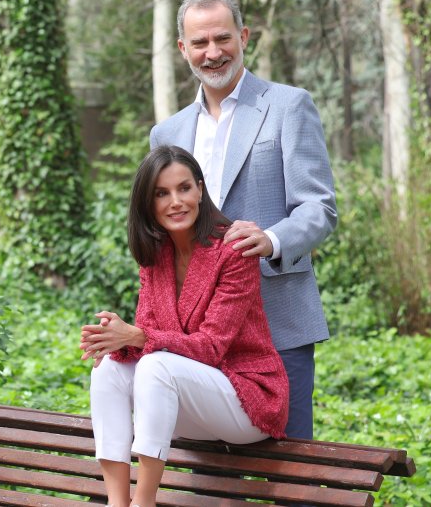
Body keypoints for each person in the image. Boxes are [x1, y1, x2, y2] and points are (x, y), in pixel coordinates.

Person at [150, 0, 336, 440]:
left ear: (244, 37)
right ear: (182, 49)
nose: (212, 53)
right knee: (209, 474)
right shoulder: (167, 132)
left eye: (222, 38)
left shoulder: (288, 106)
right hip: (197, 331)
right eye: (199, 43)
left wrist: (272, 240)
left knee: (291, 471)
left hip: (277, 319)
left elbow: (319, 207)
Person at [81, 145, 288, 507]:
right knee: (107, 373)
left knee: (156, 364)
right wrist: (115, 339)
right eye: (162, 193)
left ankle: (144, 503)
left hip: (246, 401)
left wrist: (137, 336)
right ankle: (117, 501)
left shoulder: (232, 249)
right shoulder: (156, 255)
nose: (175, 201)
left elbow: (210, 347)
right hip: (186, 404)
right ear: (148, 203)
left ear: (200, 189)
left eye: (184, 188)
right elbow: (147, 334)